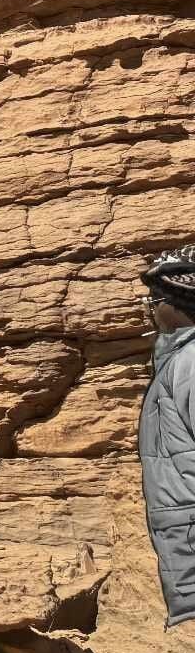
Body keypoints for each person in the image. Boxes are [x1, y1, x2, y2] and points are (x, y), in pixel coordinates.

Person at [138, 248, 195, 632]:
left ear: (178, 303)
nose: (150, 309)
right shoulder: (179, 360)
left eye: (155, 300)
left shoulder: (191, 362)